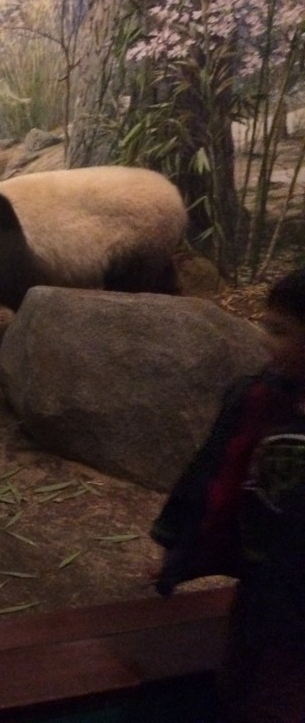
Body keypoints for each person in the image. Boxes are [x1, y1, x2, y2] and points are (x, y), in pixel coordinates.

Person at [151, 265, 305, 723]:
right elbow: (212, 473)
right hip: (264, 582)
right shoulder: (260, 398)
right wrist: (177, 542)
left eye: (279, 330)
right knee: (238, 678)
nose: (263, 339)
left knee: (279, 697)